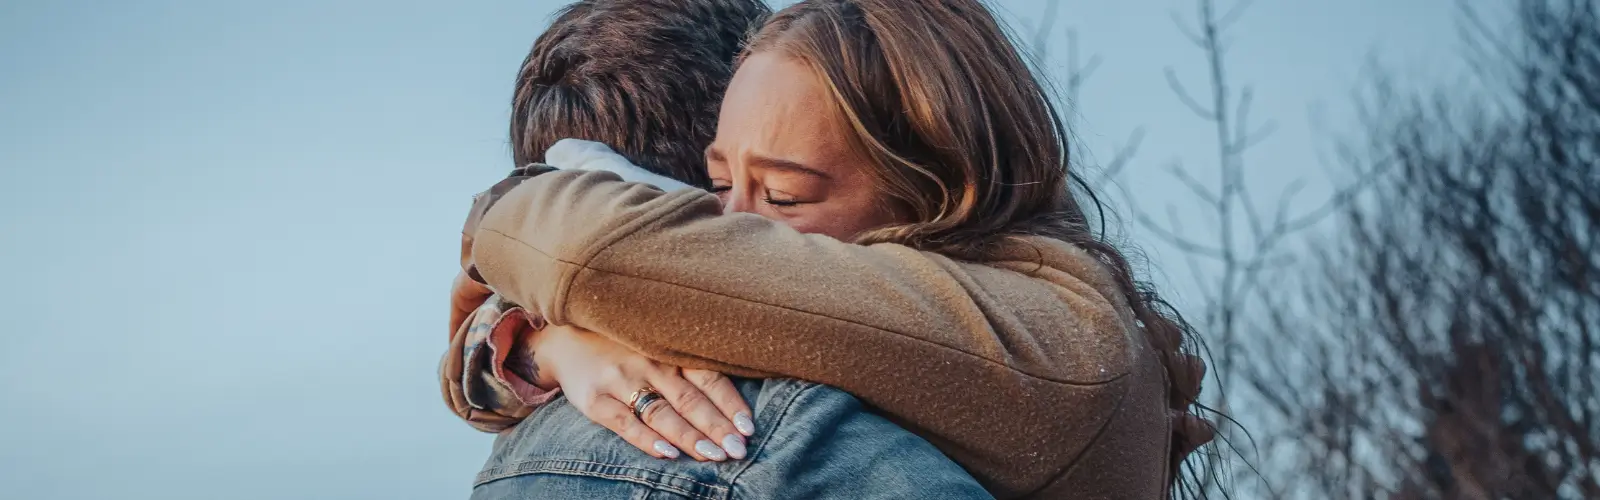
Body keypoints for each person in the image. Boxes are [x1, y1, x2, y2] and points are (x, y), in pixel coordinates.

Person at [452, 0, 1214, 498]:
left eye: (783, 198)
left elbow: (595, 252)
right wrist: (545, 345)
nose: (732, 231)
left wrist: (513, 241)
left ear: (936, 189)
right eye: (716, 188)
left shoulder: (1046, 338)